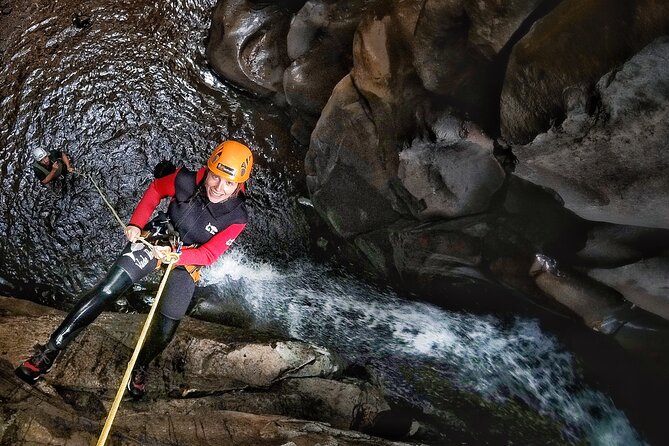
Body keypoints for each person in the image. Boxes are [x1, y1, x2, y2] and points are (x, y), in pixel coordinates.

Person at [15, 140, 253, 399]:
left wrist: (177, 256)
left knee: (166, 328)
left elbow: (208, 254)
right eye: (216, 177)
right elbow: (154, 191)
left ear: (238, 186)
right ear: (208, 170)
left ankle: (139, 365)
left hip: (187, 258)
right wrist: (137, 225)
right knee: (107, 289)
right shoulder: (184, 179)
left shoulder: (236, 217)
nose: (219, 188)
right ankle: (48, 352)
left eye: (228, 184)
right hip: (159, 238)